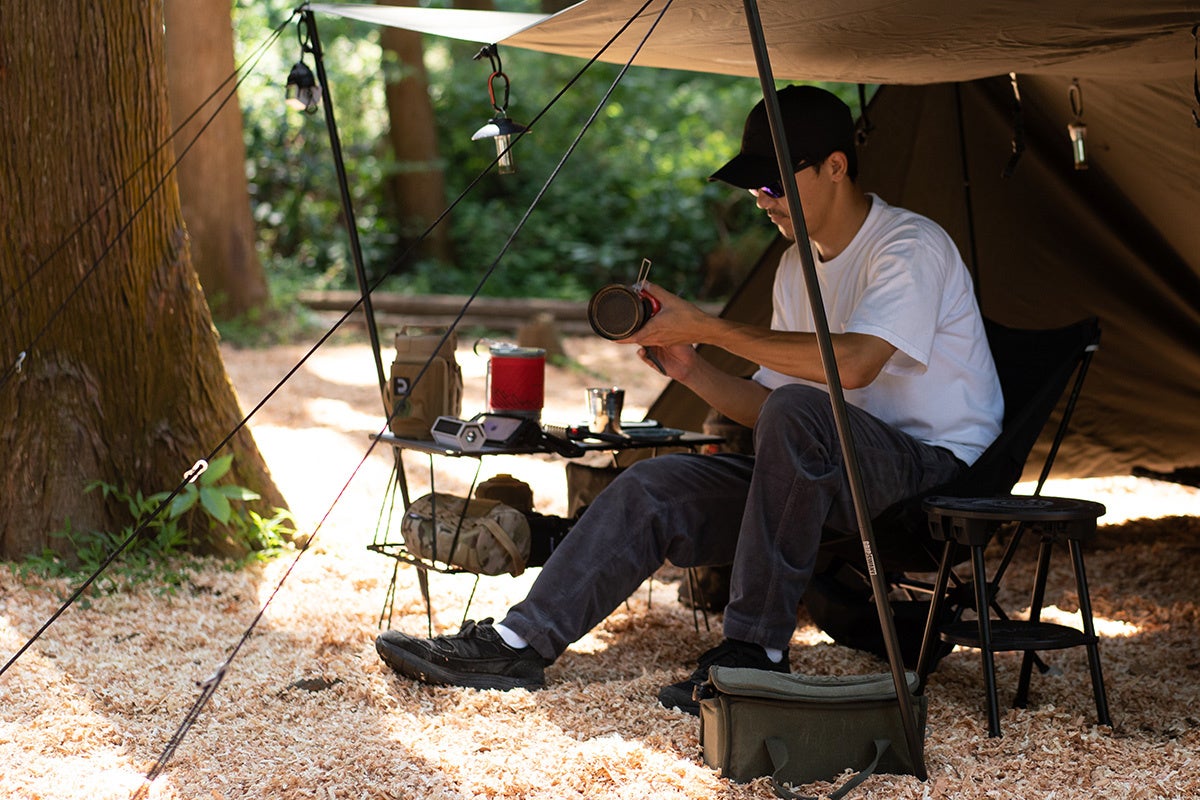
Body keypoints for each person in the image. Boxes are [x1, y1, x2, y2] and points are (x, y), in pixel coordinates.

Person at [375, 85, 1003, 715]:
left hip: (928, 466)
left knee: (800, 414)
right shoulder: (796, 267)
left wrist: (707, 325)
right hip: (821, 467)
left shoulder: (908, 247)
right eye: (754, 188)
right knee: (656, 486)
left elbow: (857, 366)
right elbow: (771, 409)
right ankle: (516, 643)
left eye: (775, 184)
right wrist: (692, 366)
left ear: (835, 166)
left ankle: (756, 654)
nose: (763, 200)